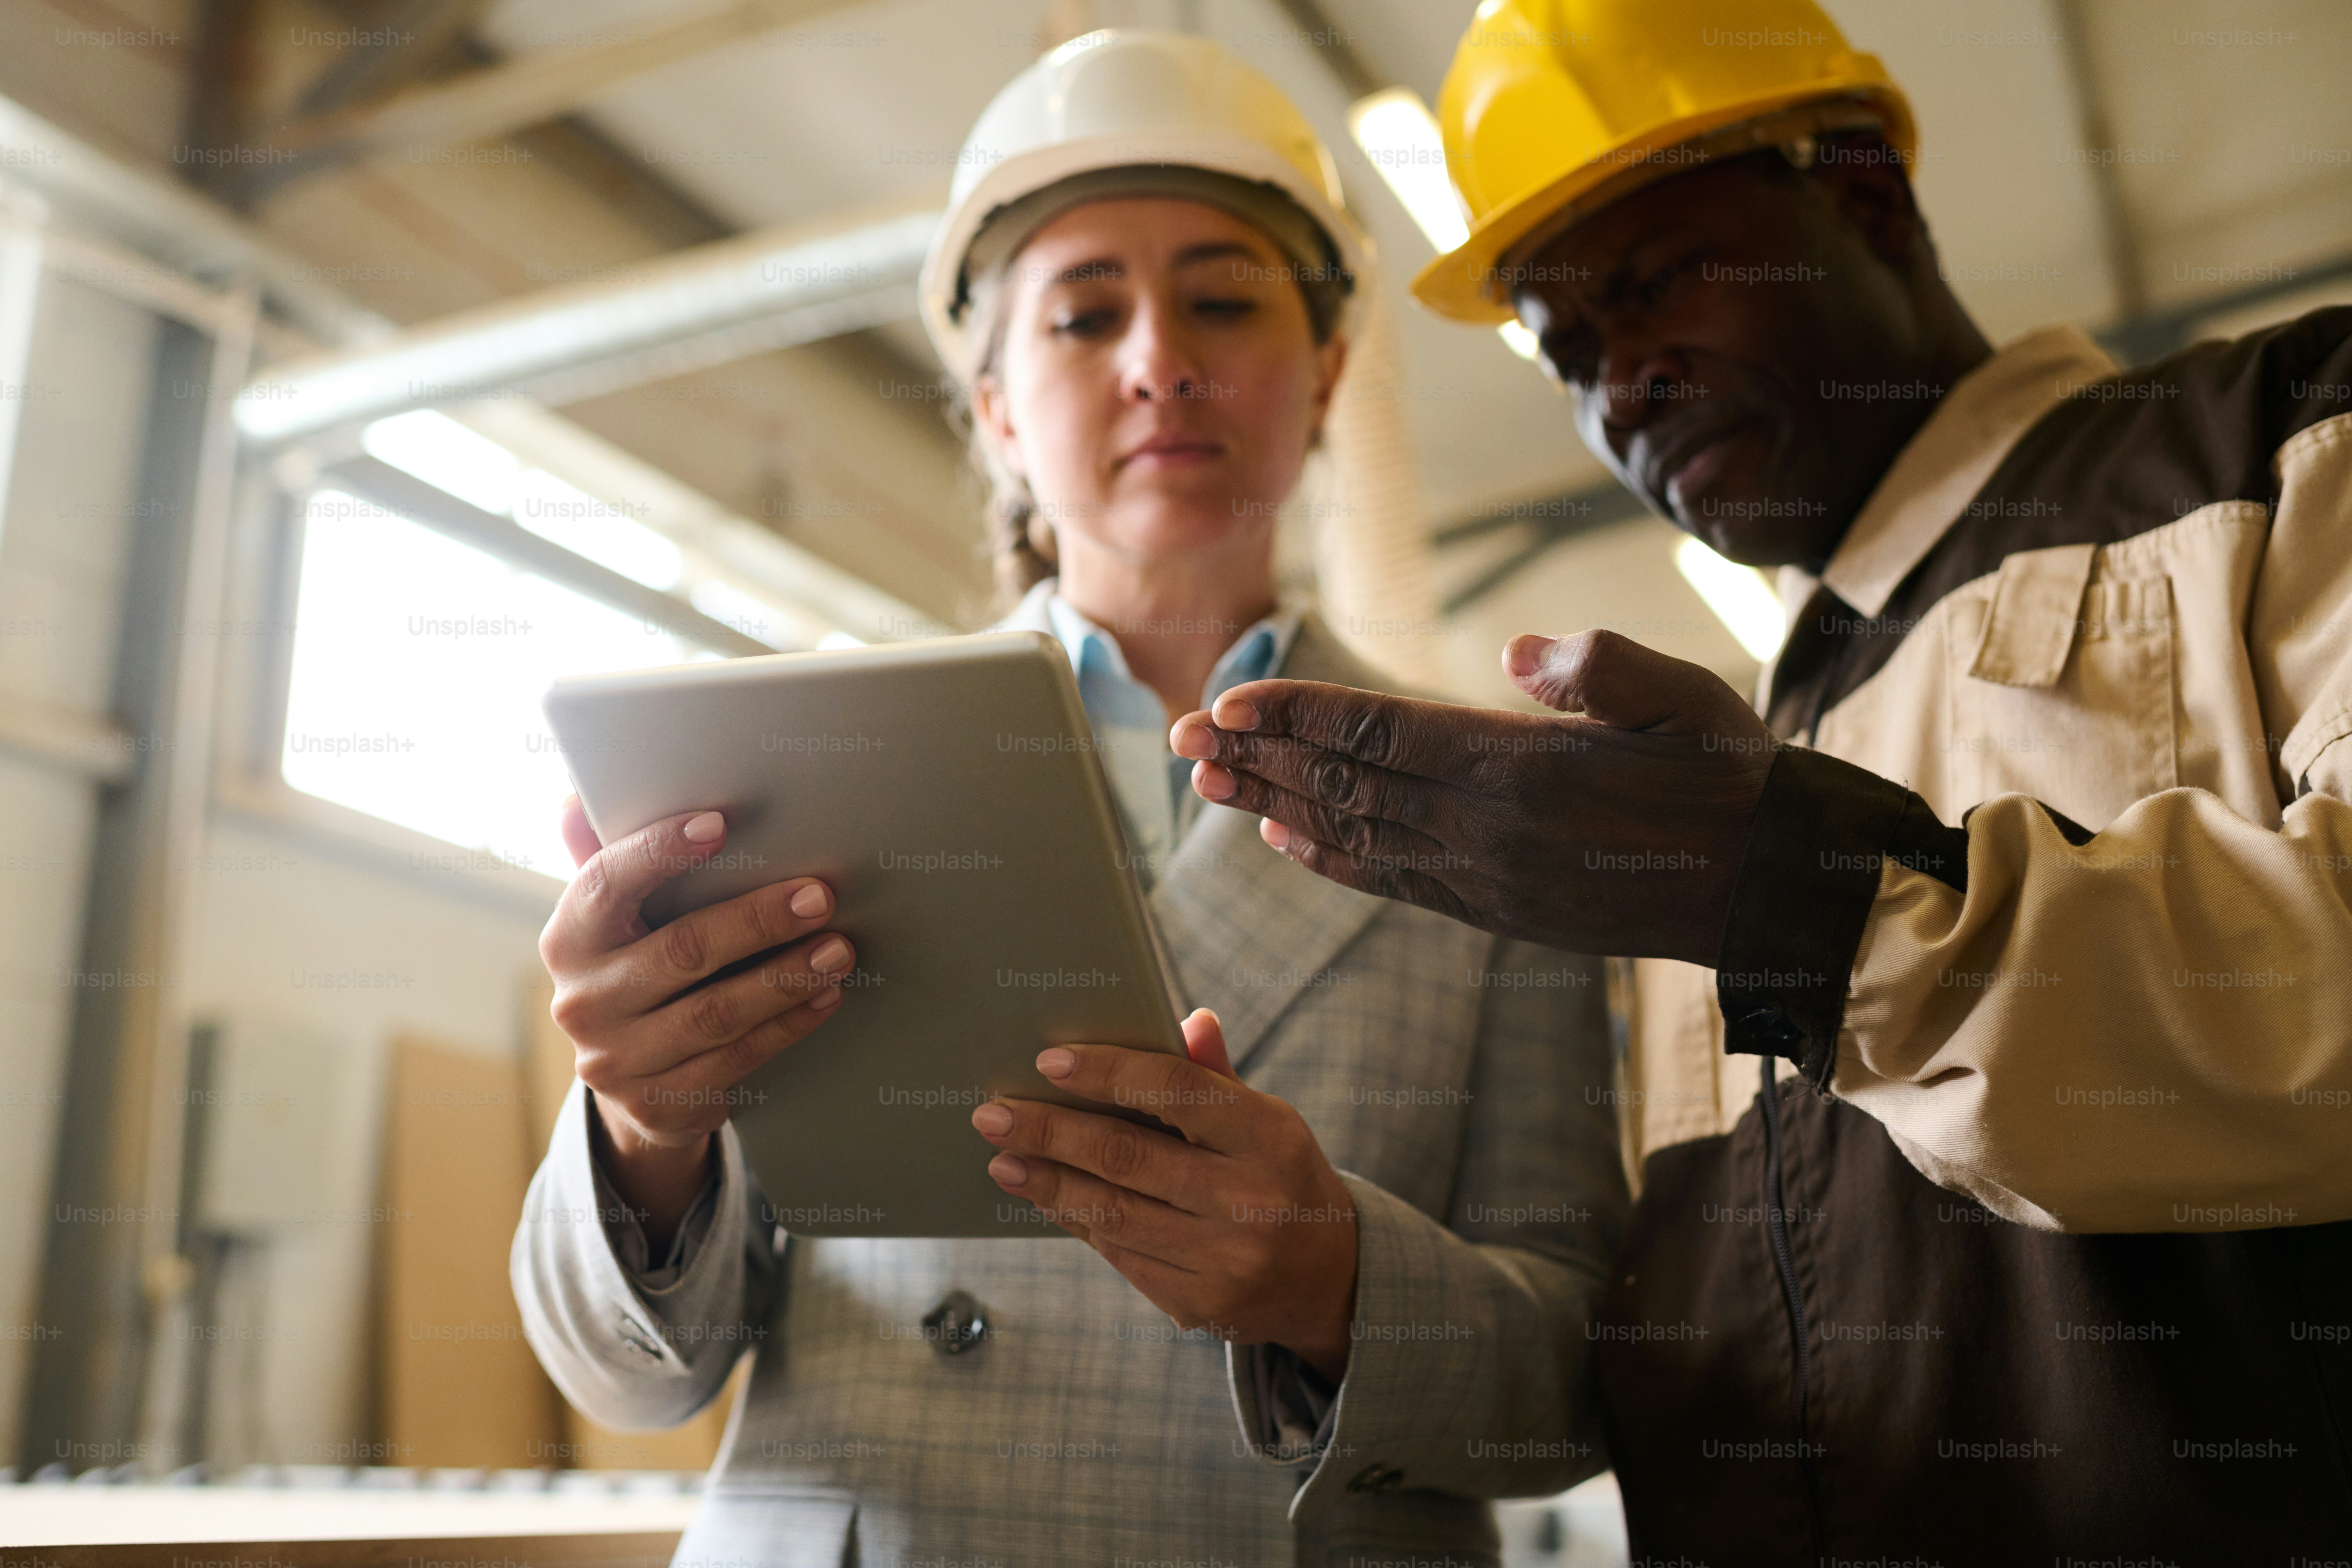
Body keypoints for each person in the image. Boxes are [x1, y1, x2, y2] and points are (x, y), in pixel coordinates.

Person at [1164, 0, 2352, 1559]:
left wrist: (1794, 893)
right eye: (1571, 351)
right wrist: (1320, 1266)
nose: (1621, 387)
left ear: (1862, 196)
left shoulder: (2270, 447)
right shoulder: (1717, 753)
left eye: (1652, 288)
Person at [511, 32, 1628, 1568]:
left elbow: (1571, 1384)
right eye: (1085, 313)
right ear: (995, 412)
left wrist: (1334, 1283)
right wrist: (642, 1125)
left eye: (1224, 299)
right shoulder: (786, 758)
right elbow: (625, 1378)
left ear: (1332, 371)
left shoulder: (1501, 798)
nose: (1158, 357)